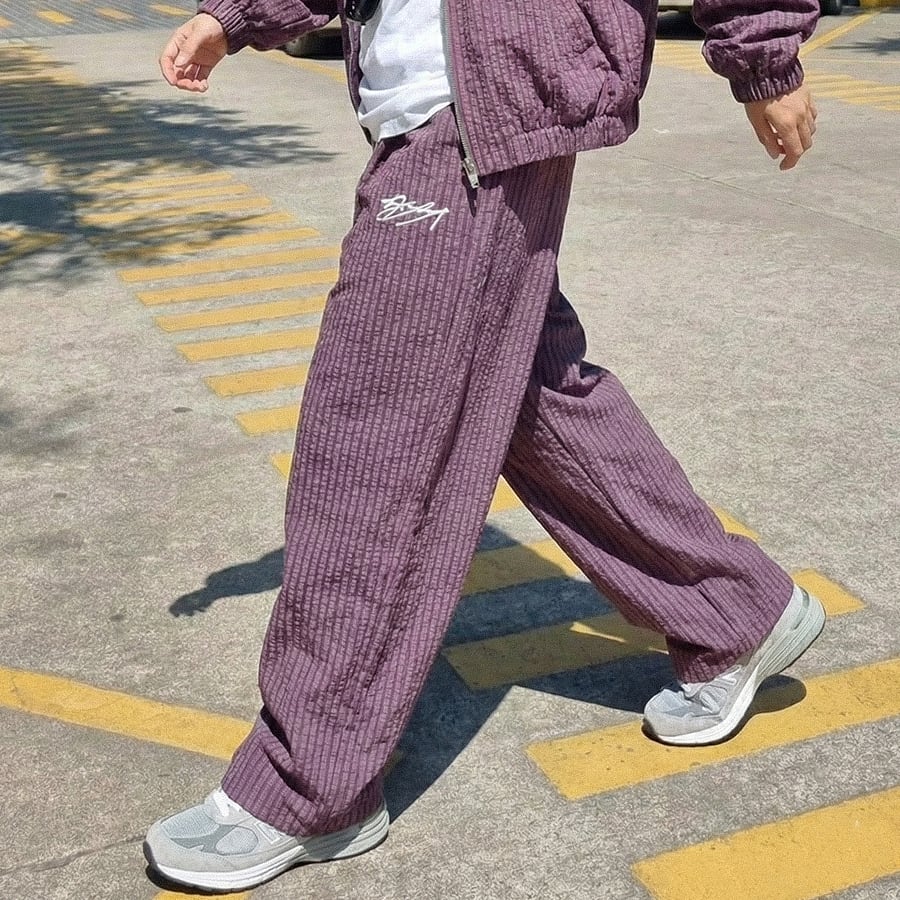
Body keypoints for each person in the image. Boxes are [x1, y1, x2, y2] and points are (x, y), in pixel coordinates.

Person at [146, 0, 824, 891]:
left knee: (372, 437)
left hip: (477, 107)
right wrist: (237, 16)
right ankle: (733, 611)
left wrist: (765, 55)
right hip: (455, 99)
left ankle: (312, 777)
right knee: (530, 394)